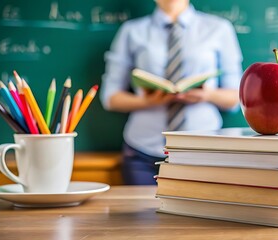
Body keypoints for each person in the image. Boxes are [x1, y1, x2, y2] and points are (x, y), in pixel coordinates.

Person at [100, 0, 243, 185]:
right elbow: (110, 97)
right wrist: (149, 101)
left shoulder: (219, 28)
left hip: (205, 151)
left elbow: (236, 98)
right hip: (143, 152)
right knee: (142, 213)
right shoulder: (132, 31)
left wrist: (207, 94)